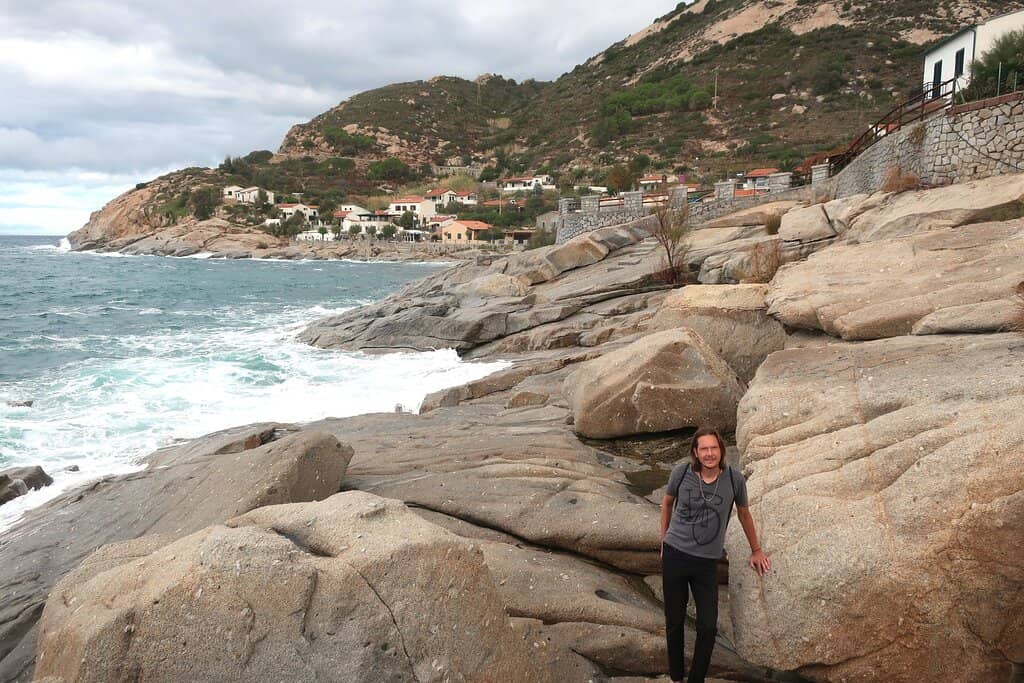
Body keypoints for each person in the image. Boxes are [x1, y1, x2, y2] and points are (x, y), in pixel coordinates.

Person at [659, 426, 771, 683]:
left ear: (721, 450)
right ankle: (676, 677)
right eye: (704, 449)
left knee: (707, 626)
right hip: (676, 555)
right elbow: (666, 503)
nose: (709, 454)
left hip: (707, 563)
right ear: (695, 453)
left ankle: (696, 679)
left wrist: (756, 550)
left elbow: (744, 514)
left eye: (714, 448)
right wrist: (663, 539)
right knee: (674, 622)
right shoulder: (681, 473)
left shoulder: (734, 480)